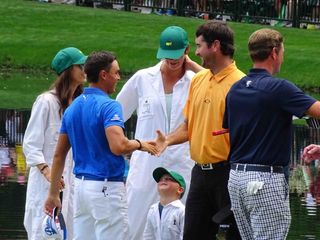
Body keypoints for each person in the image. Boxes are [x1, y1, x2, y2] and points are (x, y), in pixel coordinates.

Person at [44, 51, 157, 240]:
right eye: (116, 72)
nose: (119, 77)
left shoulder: (72, 107)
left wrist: (53, 194)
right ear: (104, 75)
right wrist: (140, 144)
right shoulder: (109, 106)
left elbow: (58, 156)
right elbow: (118, 146)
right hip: (106, 188)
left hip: (81, 189)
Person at [223, 28, 320, 239]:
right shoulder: (279, 88)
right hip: (264, 180)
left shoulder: (236, 89)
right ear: (274, 52)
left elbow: (231, 127)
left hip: (236, 179)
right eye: (282, 52)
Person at [154, 20, 244, 240]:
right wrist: (167, 140)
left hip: (228, 174)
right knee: (193, 234)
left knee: (234, 236)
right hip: (200, 175)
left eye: (199, 45)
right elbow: (188, 126)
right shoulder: (199, 79)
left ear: (215, 45)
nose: (196, 52)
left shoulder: (240, 84)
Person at [116, 25, 203, 240]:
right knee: (134, 224)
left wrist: (194, 66)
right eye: (167, 55)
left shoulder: (197, 81)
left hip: (182, 163)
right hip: (146, 164)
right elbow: (116, 115)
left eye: (177, 55)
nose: (171, 61)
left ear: (187, 50)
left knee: (182, 228)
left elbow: (224, 85)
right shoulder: (143, 78)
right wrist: (125, 145)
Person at [23, 47, 87, 240]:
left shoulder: (79, 104)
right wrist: (47, 171)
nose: (84, 69)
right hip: (46, 184)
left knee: (73, 232)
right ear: (68, 70)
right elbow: (31, 144)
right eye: (80, 65)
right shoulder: (46, 102)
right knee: (43, 232)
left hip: (72, 182)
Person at [143, 167, 186, 240]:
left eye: (168, 179)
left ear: (180, 189)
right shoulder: (153, 209)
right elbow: (148, 236)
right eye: (160, 179)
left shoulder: (182, 211)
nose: (163, 180)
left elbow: (185, 236)